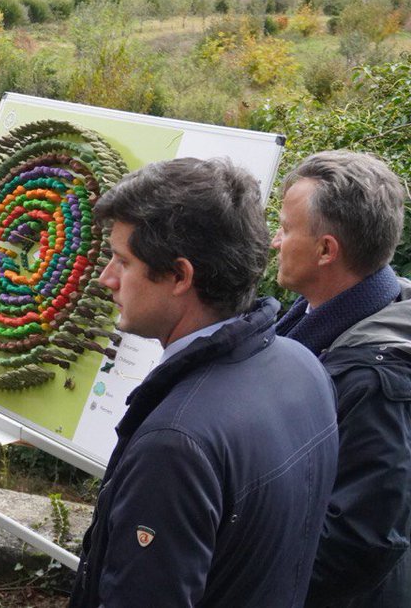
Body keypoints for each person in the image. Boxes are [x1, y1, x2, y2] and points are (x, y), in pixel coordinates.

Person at [69, 157, 338, 608]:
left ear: (179, 276)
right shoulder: (302, 365)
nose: (106, 279)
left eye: (122, 261)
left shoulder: (175, 445)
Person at [272, 150, 411, 607]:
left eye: (287, 229)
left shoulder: (371, 379)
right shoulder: (328, 323)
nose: (276, 241)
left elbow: (355, 543)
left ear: (326, 250)